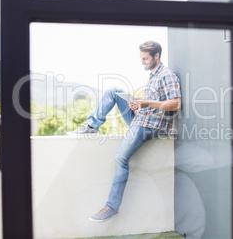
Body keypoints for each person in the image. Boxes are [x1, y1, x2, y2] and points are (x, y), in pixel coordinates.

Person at [67, 41, 181, 222]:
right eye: (141, 58)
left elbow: (175, 103)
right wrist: (137, 105)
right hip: (141, 117)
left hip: (150, 126)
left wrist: (147, 103)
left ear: (157, 56)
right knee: (114, 91)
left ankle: (112, 206)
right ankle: (91, 125)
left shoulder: (167, 75)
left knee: (121, 158)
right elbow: (152, 104)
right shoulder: (152, 77)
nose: (142, 62)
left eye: (145, 58)